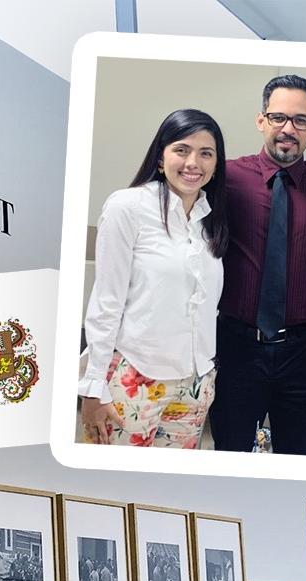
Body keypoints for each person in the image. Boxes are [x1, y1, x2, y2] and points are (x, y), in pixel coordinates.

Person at [211, 74, 306, 454]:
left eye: (300, 120)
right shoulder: (226, 177)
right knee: (230, 454)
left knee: (299, 459)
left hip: (304, 352)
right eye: (278, 118)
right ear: (261, 121)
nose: (288, 129)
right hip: (236, 346)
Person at [79, 108, 230, 447]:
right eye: (181, 150)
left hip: (195, 384)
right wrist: (92, 387)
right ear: (161, 158)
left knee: (165, 493)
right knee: (113, 487)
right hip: (134, 379)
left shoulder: (211, 220)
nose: (193, 162)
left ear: (216, 164)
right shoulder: (128, 207)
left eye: (206, 154)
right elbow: (106, 301)